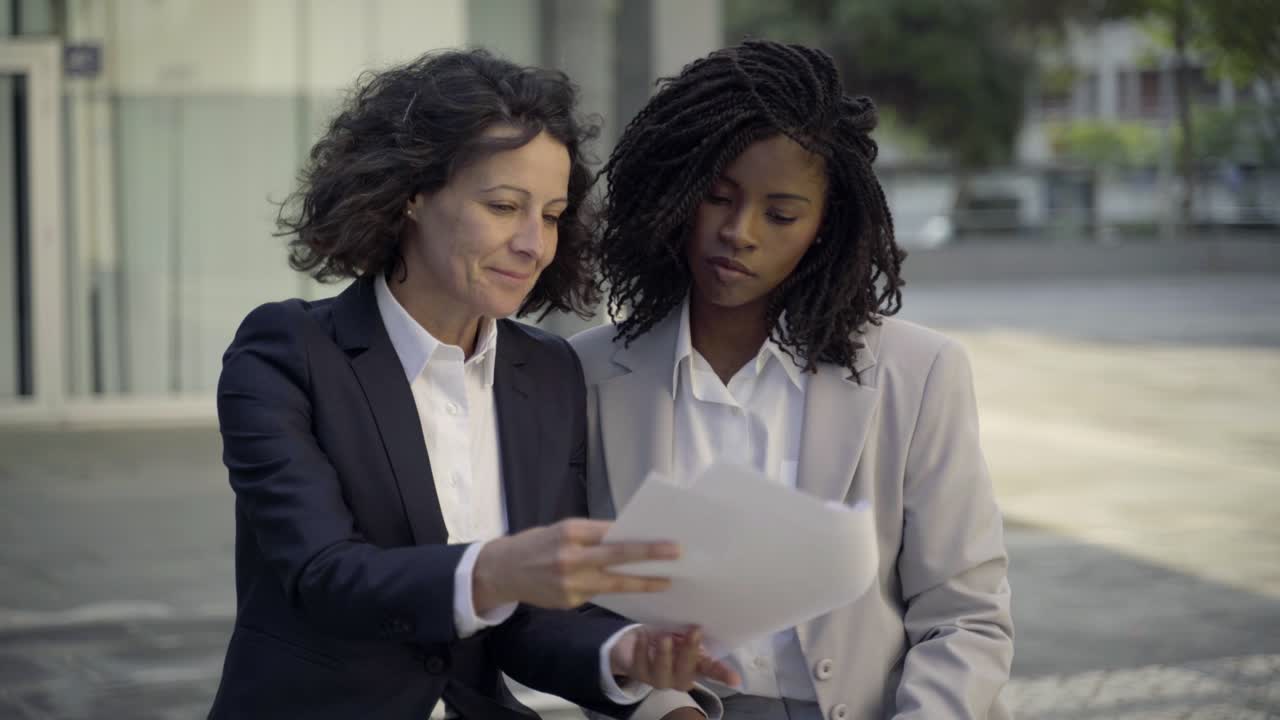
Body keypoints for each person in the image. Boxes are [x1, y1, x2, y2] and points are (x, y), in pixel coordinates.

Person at [209, 49, 737, 720]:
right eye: (504, 206)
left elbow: (530, 625)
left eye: (551, 215)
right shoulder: (288, 351)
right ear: (411, 193)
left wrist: (625, 653)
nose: (534, 244)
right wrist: (497, 570)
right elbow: (324, 576)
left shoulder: (548, 371)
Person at [571, 39, 1014, 720]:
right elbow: (576, 605)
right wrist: (663, 707)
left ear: (824, 227)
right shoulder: (589, 372)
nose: (739, 232)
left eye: (780, 214)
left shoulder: (918, 373)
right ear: (673, 194)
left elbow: (964, 616)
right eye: (716, 198)